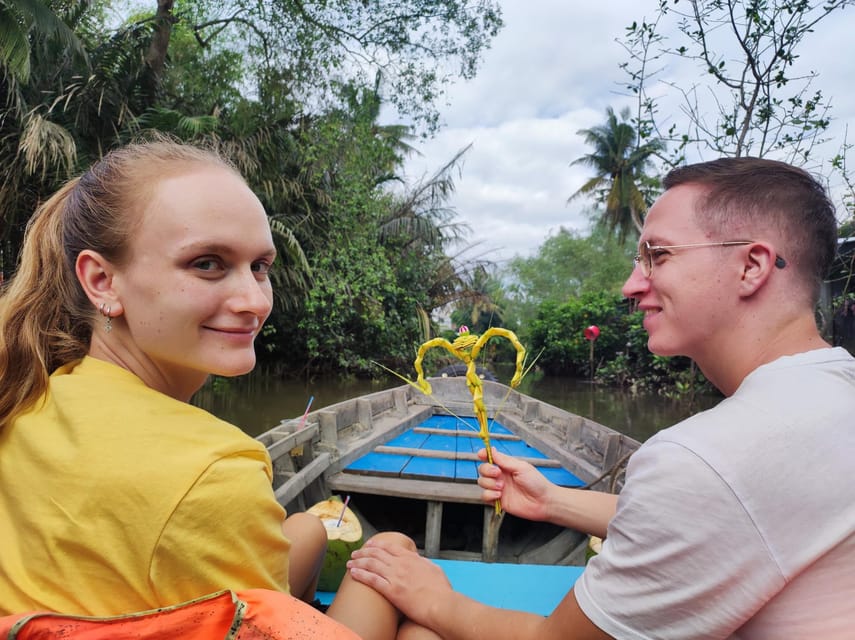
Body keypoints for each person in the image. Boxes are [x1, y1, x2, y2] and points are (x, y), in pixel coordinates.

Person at [347, 157, 855, 639]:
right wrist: (551, 500)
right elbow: (746, 513)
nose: (631, 285)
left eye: (657, 256)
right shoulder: (830, 392)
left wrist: (432, 596)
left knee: (419, 628)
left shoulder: (708, 459)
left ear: (752, 266)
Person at [0, 139, 410, 640]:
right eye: (207, 264)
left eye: (260, 266)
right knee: (393, 557)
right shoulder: (215, 472)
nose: (254, 301)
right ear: (103, 280)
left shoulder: (25, 394)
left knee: (306, 528)